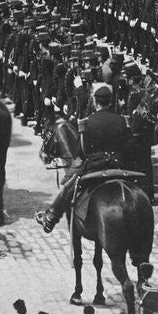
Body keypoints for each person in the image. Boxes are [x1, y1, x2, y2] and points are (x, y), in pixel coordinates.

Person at [35, 84, 130, 232]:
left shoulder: (88, 123)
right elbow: (127, 145)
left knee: (68, 185)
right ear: (110, 101)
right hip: (120, 165)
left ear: (95, 101)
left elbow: (81, 150)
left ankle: (51, 217)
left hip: (96, 166)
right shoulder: (122, 120)